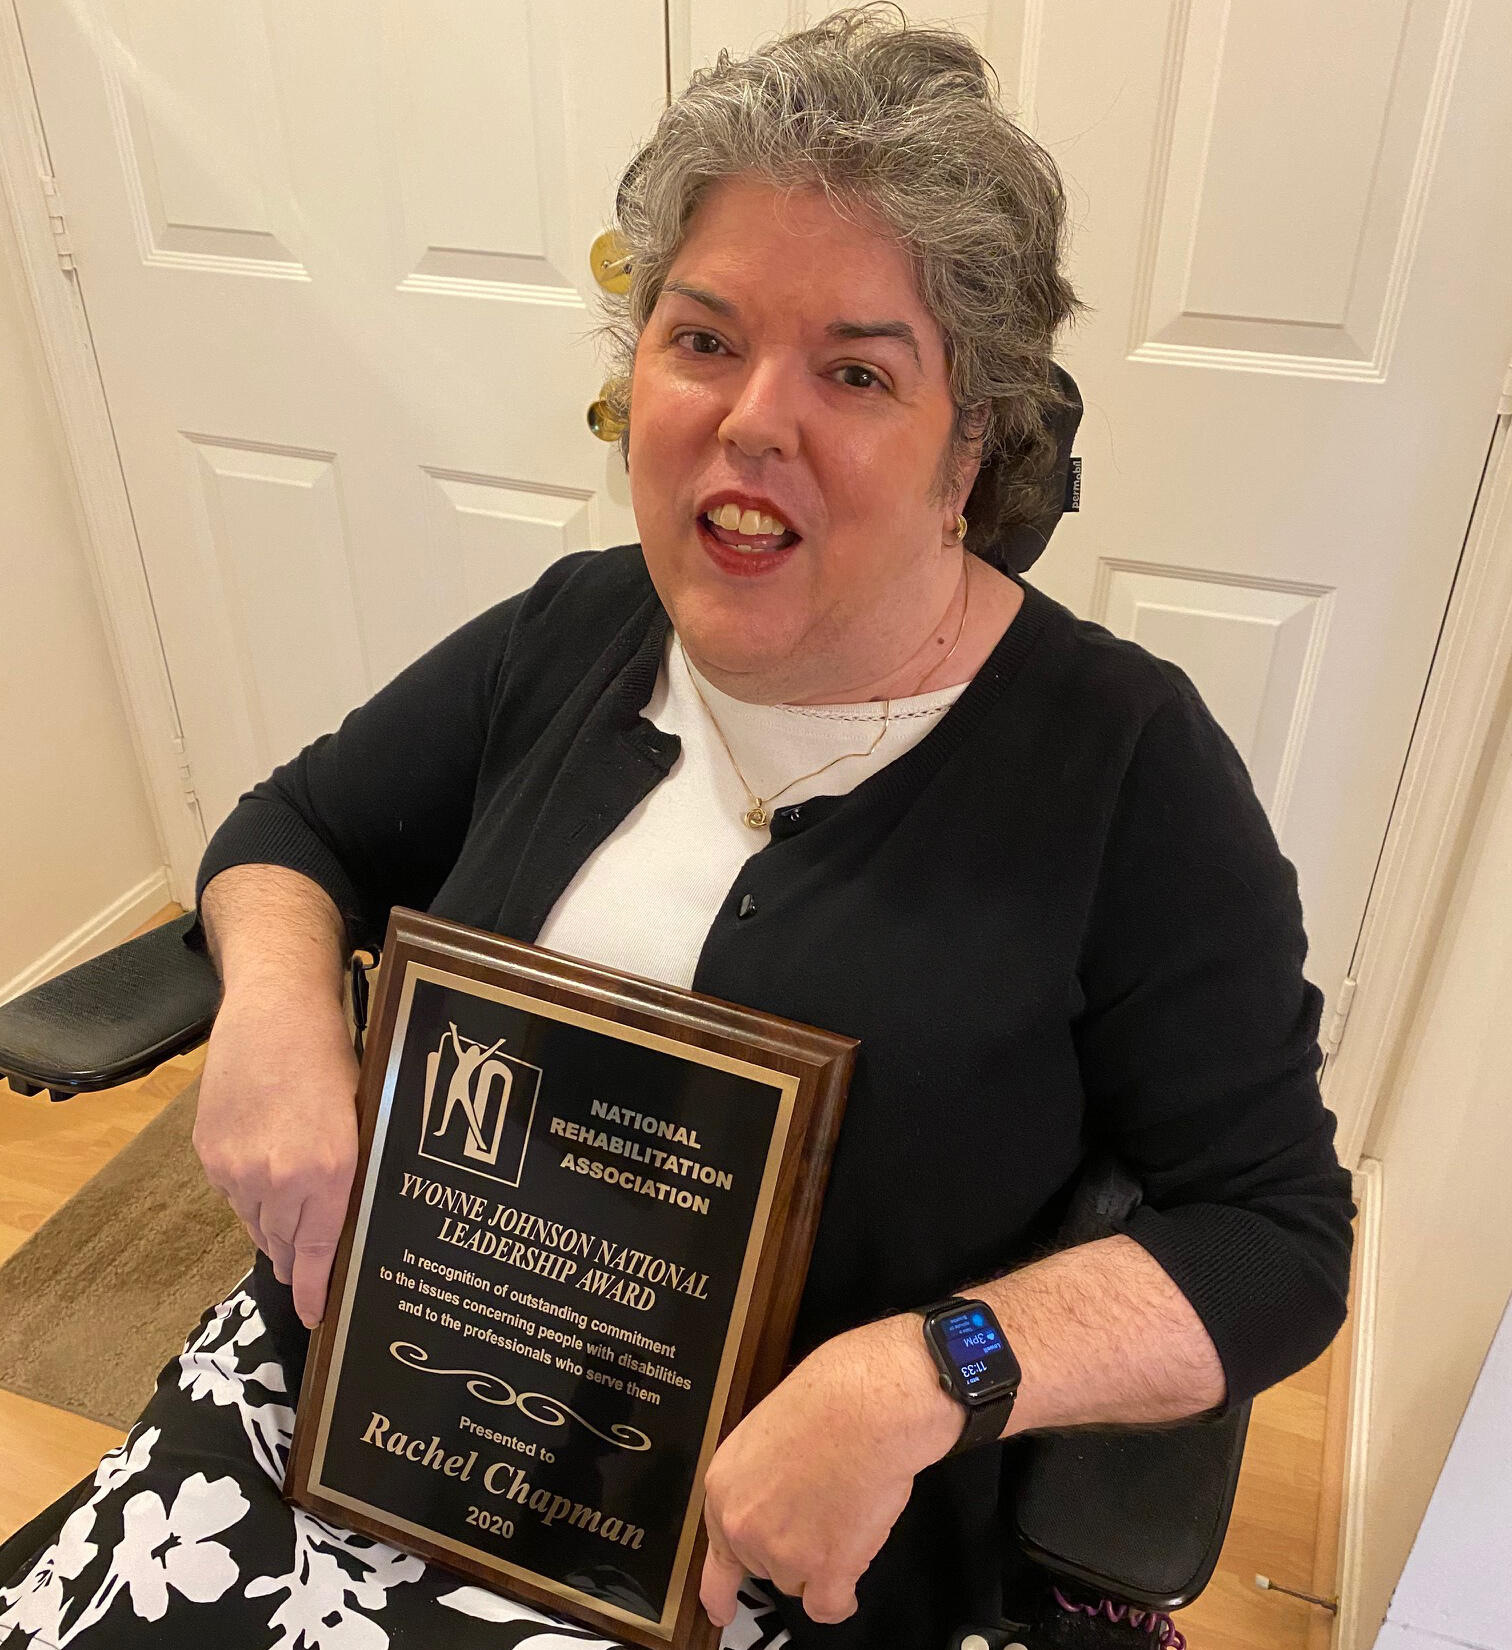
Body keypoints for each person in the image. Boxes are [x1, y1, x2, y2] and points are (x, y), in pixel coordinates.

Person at [0, 9, 1353, 1648]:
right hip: (374, 1412)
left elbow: (1275, 1235)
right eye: (702, 339)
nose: (751, 418)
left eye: (856, 369)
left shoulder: (1128, 771)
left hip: (762, 1550)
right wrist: (282, 1004)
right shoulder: (578, 629)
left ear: (971, 446)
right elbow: (297, 830)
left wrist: (930, 1369)